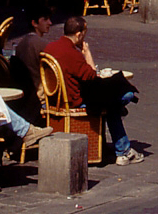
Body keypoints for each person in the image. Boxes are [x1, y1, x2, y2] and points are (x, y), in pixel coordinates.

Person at [45, 15, 143, 166]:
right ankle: (123, 151)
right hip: (74, 101)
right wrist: (87, 52)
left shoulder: (50, 48)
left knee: (112, 104)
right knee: (124, 97)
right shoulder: (72, 54)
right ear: (79, 34)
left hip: (55, 98)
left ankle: (123, 149)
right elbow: (92, 76)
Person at [14, 6, 53, 119]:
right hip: (39, 94)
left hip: (27, 93)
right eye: (45, 20)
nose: (50, 23)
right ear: (34, 23)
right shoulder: (41, 44)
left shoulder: (21, 44)